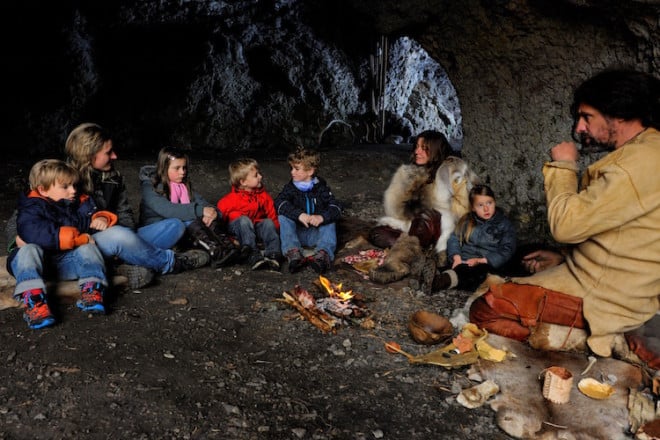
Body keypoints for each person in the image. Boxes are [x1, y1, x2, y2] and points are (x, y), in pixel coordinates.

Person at [469, 69, 660, 361]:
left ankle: (590, 339)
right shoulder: (646, 151)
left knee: (486, 307)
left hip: (608, 300)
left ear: (619, 114)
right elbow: (624, 237)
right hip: (608, 283)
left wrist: (564, 167)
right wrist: (564, 257)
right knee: (521, 261)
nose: (579, 128)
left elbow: (566, 226)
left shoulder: (634, 166)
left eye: (587, 117)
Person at [60, 122, 209, 287]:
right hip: (89, 244)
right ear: (88, 155)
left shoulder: (114, 178)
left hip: (123, 238)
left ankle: (130, 262)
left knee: (175, 225)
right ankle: (171, 263)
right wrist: (114, 234)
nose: (115, 156)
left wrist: (127, 238)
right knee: (118, 236)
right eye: (108, 153)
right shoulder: (64, 183)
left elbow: (125, 214)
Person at [8, 160, 114, 328]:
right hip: (37, 265)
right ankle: (35, 303)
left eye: (73, 185)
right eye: (65, 187)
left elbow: (89, 223)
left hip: (64, 265)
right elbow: (34, 233)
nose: (73, 190)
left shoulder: (73, 204)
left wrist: (101, 218)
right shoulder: (31, 207)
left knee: (88, 248)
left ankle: (92, 290)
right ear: (43, 190)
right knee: (29, 249)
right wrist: (77, 238)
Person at [368, 130, 478, 284]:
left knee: (426, 216)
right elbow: (404, 208)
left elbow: (466, 208)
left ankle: (398, 264)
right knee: (378, 233)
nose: (417, 151)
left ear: (435, 149)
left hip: (449, 230)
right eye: (417, 146)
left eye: (423, 148)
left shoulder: (452, 168)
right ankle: (423, 254)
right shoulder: (422, 170)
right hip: (421, 227)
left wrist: (440, 219)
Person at [138, 146, 239, 266]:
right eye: (177, 168)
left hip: (175, 232)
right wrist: (200, 210)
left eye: (184, 167)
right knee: (181, 220)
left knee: (203, 216)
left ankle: (227, 248)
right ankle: (215, 252)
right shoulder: (150, 186)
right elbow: (169, 210)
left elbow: (204, 204)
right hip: (151, 234)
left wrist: (213, 212)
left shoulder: (182, 186)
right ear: (164, 169)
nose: (182, 172)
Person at [428, 184, 516, 293]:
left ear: (495, 202)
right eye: (480, 205)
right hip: (464, 261)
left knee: (478, 273)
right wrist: (456, 257)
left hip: (486, 264)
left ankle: (443, 281)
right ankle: (432, 276)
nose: (486, 208)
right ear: (473, 208)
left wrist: (482, 260)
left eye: (489, 203)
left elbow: (507, 249)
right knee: (455, 267)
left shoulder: (504, 224)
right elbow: (454, 238)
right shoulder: (467, 221)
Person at [274, 147, 342, 274]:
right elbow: (279, 203)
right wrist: (299, 215)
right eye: (292, 168)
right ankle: (293, 252)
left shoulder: (321, 188)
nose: (292, 172)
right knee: (283, 217)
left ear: (310, 171)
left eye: (297, 169)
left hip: (315, 234)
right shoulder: (290, 188)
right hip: (297, 233)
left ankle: (323, 255)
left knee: (330, 220)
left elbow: (336, 207)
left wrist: (321, 217)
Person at [217, 158, 282, 271]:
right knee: (243, 220)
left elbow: (272, 216)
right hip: (237, 231)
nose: (260, 177)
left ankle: (273, 254)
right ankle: (251, 253)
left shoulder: (263, 196)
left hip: (254, 228)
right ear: (243, 182)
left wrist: (276, 233)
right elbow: (218, 224)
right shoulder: (229, 201)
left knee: (267, 222)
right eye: (256, 175)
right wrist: (229, 240)